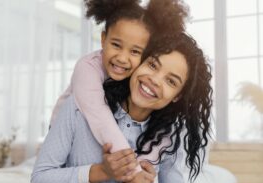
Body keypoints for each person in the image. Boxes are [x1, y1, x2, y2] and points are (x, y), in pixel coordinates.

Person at [31, 33, 213, 183]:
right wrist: (101, 171)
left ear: (177, 96)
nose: (155, 80)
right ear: (139, 61)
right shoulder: (79, 107)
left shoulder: (169, 137)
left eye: (171, 81)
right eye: (152, 65)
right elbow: (40, 178)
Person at [50, 0, 188, 173]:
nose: (122, 58)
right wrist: (134, 170)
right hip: (66, 142)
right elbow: (100, 118)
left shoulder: (135, 77)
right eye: (116, 45)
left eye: (135, 51)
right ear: (103, 39)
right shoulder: (87, 68)